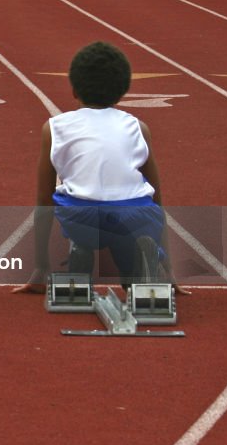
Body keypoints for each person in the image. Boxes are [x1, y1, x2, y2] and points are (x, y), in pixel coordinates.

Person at [13, 42, 183, 295]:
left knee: (67, 197)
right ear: (122, 90)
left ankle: (80, 251)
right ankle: (143, 261)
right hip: (134, 217)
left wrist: (40, 267)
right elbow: (157, 198)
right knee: (135, 222)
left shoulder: (55, 127)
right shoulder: (138, 127)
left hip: (82, 217)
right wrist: (169, 269)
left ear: (74, 90)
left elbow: (43, 201)